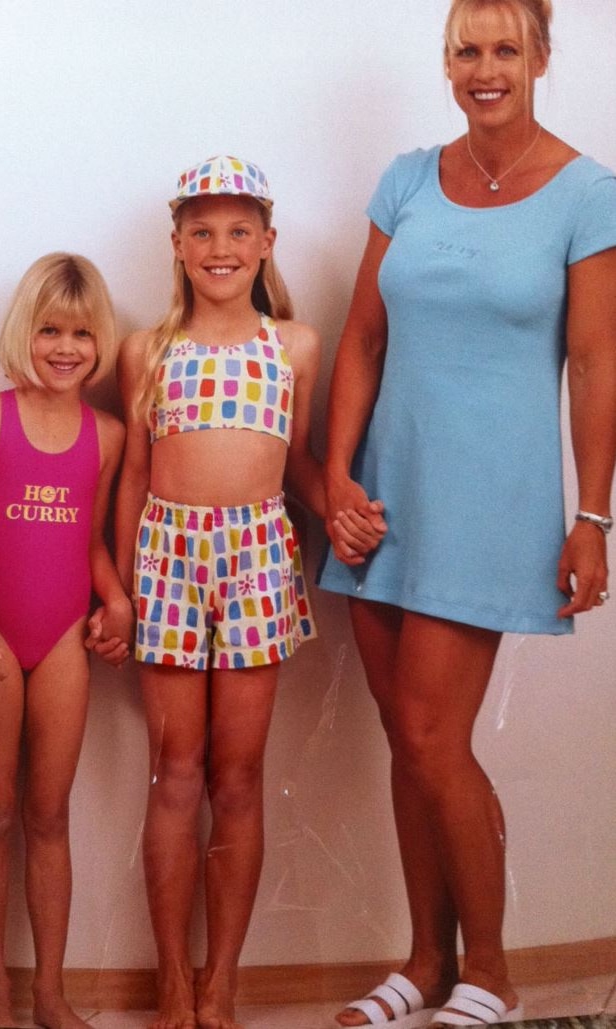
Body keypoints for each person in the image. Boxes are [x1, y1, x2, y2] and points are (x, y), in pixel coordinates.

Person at [318, 1, 616, 1026]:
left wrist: (594, 517)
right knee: (409, 740)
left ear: (538, 57)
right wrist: (335, 481)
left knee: (436, 738)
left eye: (502, 49)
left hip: (491, 507)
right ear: (445, 61)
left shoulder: (588, 193)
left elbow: (592, 360)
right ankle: (422, 961)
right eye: (465, 50)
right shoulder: (407, 179)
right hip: (381, 501)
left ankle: (489, 969)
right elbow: (358, 340)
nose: (482, 69)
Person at [113, 155, 324, 1029]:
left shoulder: (295, 345)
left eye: (240, 230)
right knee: (176, 773)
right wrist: (126, 587)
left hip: (258, 557)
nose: (221, 246)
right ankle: (170, 978)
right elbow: (132, 476)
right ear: (177, 244)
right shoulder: (146, 350)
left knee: (238, 777)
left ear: (267, 242)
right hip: (166, 557)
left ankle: (222, 979)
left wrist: (331, 518)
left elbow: (298, 461)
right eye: (202, 230)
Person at [0, 252, 134, 1029]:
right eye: (51, 330)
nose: (66, 347)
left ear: (102, 341)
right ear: (25, 330)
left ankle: (49, 992)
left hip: (62, 637)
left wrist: (117, 598)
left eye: (83, 334)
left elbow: (88, 541)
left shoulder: (111, 433)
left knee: (48, 814)